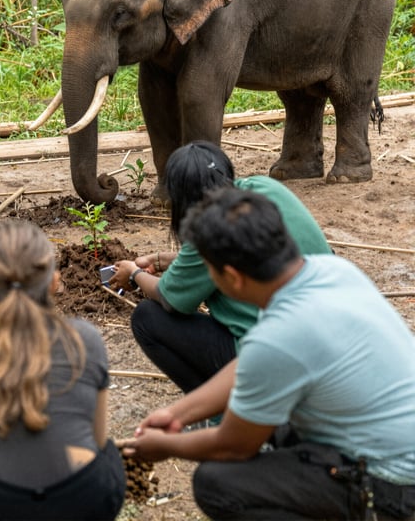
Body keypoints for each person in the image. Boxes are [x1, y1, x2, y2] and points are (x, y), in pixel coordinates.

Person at [123, 187, 415, 521]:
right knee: (272, 422)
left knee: (217, 483)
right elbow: (247, 368)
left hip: (395, 487)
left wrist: (165, 446)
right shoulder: (330, 271)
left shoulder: (279, 336)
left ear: (232, 277)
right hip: (395, 450)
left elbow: (233, 445)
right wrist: (177, 414)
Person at [0, 220, 126, 521]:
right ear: (55, 282)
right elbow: (98, 440)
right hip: (84, 498)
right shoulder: (85, 339)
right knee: (107, 452)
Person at [109, 141, 331, 397]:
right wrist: (160, 261)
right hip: (324, 337)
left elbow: (171, 299)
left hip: (275, 358)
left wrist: (134, 274)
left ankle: (220, 406)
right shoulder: (264, 187)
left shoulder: (208, 228)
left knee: (147, 318)